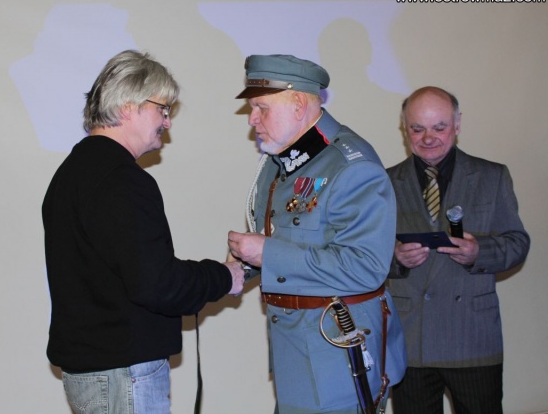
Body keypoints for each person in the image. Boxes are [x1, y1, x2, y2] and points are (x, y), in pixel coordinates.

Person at [42, 50, 244, 414]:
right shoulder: (121, 180)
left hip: (98, 370)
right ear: (127, 107)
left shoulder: (72, 172)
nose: (167, 122)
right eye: (162, 109)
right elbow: (158, 284)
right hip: (123, 373)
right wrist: (224, 276)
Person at [227, 54, 407, 414]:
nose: (252, 119)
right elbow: (288, 238)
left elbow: (365, 267)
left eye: (262, 108)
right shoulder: (281, 160)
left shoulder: (350, 166)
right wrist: (239, 268)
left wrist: (267, 253)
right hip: (296, 347)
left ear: (297, 104)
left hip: (336, 354)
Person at [387, 86, 531, 414]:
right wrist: (396, 258)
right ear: (404, 128)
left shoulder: (492, 176)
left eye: (439, 127)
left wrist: (479, 251)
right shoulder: (384, 182)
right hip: (411, 339)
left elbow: (518, 243)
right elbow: (365, 255)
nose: (428, 138)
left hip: (472, 336)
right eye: (417, 129)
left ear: (457, 124)